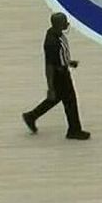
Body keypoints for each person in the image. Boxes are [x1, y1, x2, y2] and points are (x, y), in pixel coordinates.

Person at [21, 12, 91, 140]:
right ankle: (74, 130)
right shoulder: (52, 42)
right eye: (64, 22)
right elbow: (49, 66)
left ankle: (31, 116)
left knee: (56, 99)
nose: (67, 24)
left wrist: (68, 62)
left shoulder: (57, 34)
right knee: (70, 102)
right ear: (58, 24)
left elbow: (59, 57)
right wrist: (50, 87)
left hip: (62, 71)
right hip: (60, 76)